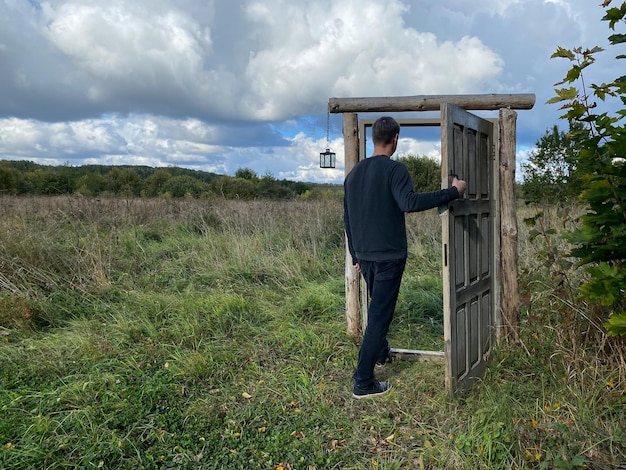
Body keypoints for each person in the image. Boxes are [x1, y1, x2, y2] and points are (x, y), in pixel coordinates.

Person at [343, 116, 467, 399]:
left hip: (366, 255)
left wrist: (355, 255)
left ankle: (380, 351)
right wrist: (452, 192)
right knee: (380, 317)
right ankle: (363, 382)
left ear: (374, 138)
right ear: (395, 138)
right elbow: (408, 203)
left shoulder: (354, 174)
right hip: (388, 256)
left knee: (378, 311)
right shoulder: (395, 169)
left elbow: (347, 217)